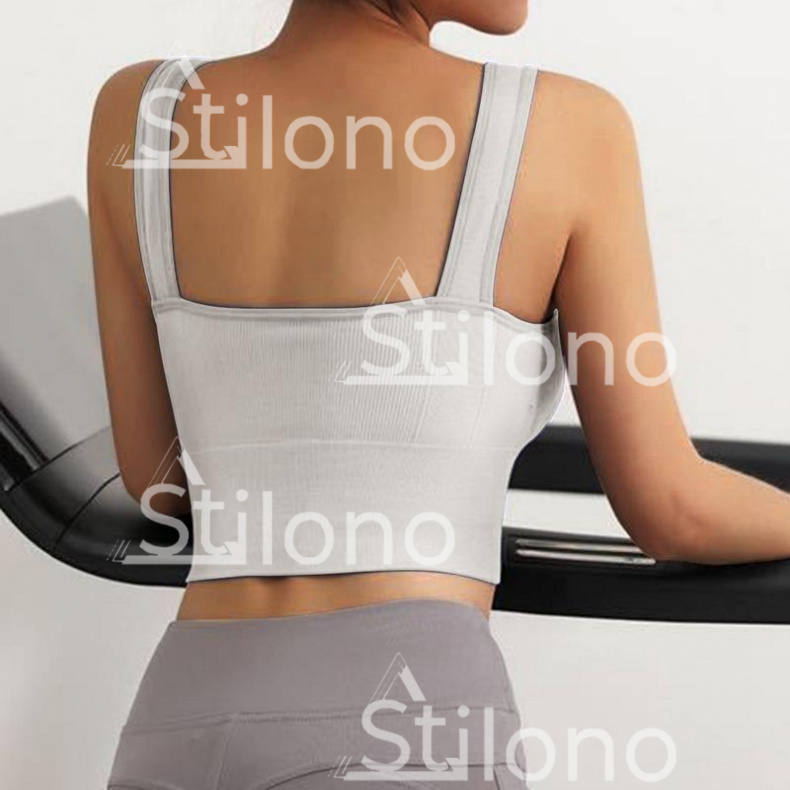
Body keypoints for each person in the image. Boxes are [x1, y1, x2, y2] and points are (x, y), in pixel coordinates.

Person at [87, 1, 790, 787]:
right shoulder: (568, 129)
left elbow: (158, 480)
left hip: (180, 716)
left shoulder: (141, 112)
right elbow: (673, 508)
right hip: (408, 724)